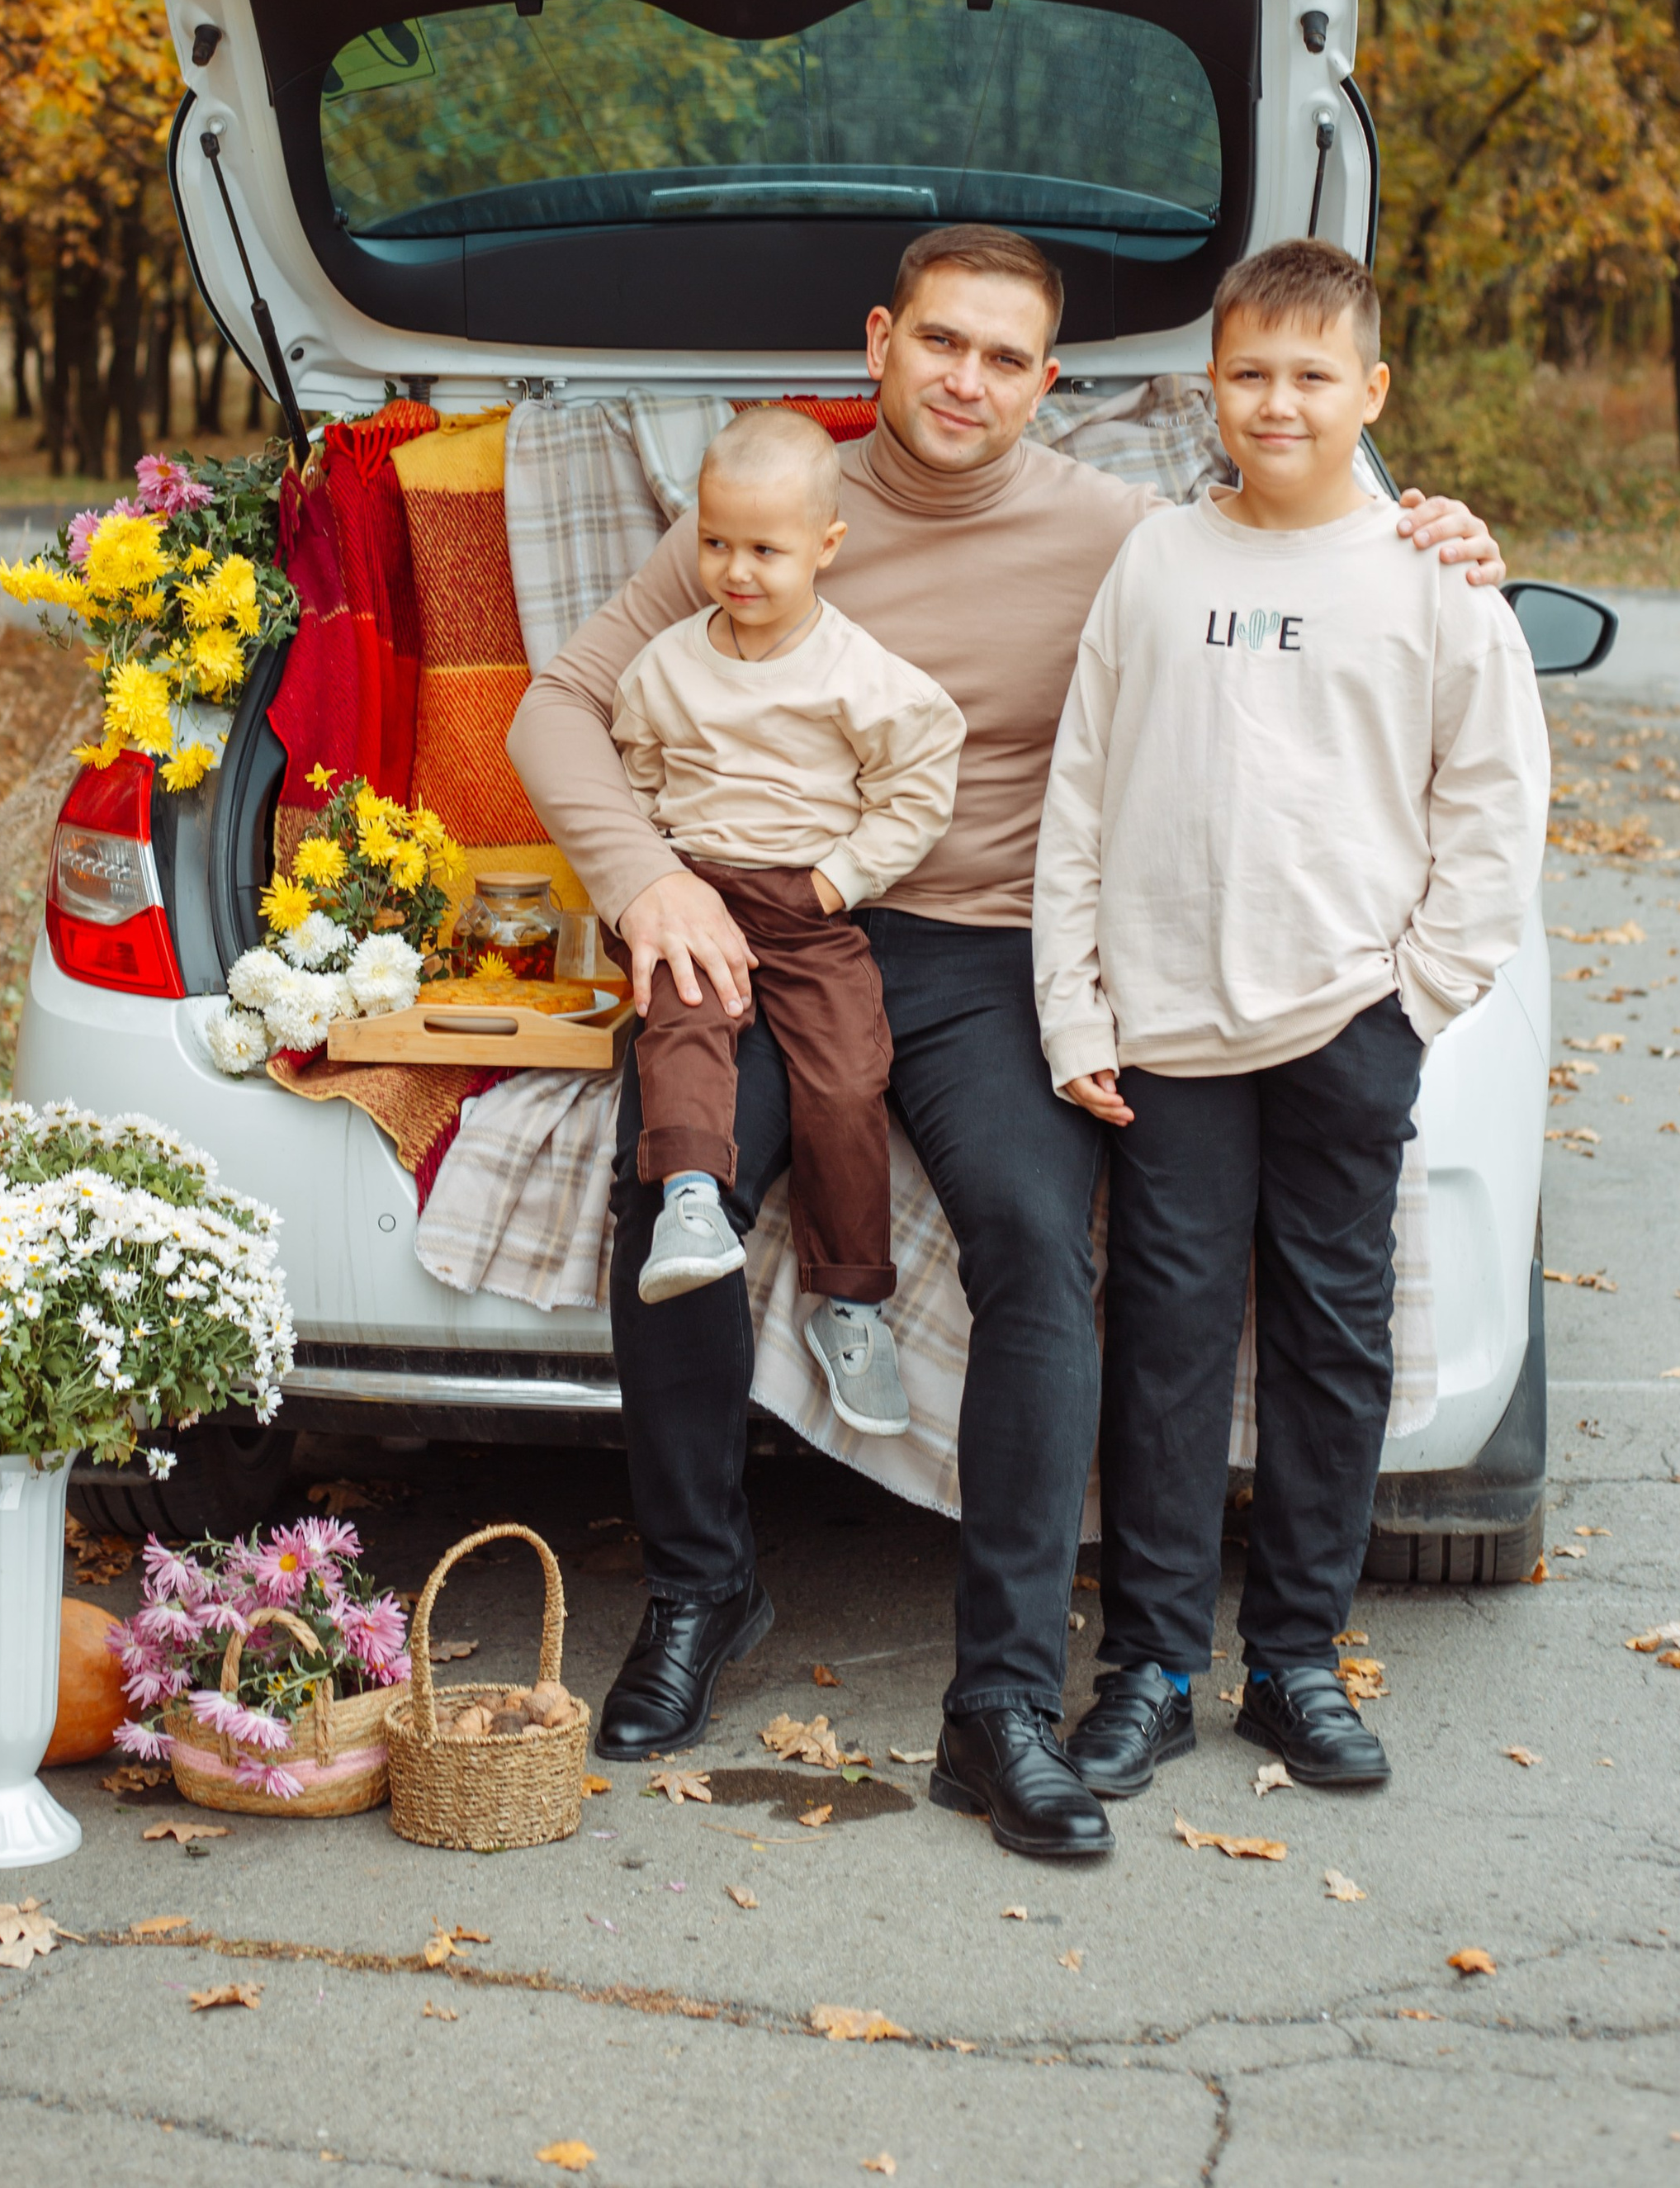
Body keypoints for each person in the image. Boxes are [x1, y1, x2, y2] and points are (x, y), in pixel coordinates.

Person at [506, 220, 1506, 1854]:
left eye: (1002, 355)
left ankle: (997, 1703)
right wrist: (645, 883)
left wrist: (1435, 535)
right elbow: (561, 703)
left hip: (986, 954)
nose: (963, 378)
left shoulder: (1127, 533)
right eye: (937, 341)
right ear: (879, 342)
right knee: (671, 1195)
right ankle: (700, 1589)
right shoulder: (775, 510)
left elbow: (1291, 552)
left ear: (1045, 383)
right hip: (775, 931)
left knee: (1042, 1248)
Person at [1035, 239, 1549, 1799]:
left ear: (1371, 390)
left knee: (1334, 1340)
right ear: (1212, 386)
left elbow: (1495, 806)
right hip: (1174, 1031)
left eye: (1314, 375)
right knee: (1173, 1347)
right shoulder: (1161, 560)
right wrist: (1075, 1000)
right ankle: (1152, 1665)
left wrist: (1415, 1002)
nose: (1278, 401)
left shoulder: (1431, 576)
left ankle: (1299, 1661)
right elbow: (1081, 789)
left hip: (1346, 1021)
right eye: (1250, 372)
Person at [609, 405, 965, 1440]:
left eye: (765, 548)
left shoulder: (859, 671)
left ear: (826, 545)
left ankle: (847, 1302)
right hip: (696, 896)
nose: (736, 569)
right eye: (715, 541)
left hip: (810, 907)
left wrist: (837, 880)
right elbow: (633, 771)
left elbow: (920, 784)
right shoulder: (666, 665)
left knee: (849, 1076)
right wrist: (652, 876)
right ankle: (686, 1196)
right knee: (679, 1026)